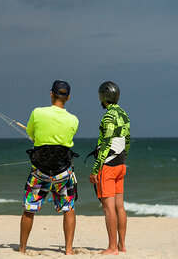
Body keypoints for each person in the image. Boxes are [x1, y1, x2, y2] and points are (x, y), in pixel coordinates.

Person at [19, 80, 79, 255]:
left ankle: (22, 249)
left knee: (29, 209)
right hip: (63, 174)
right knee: (68, 209)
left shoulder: (37, 113)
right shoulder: (74, 120)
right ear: (67, 97)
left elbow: (31, 133)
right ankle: (68, 250)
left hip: (40, 174)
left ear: (51, 94)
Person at [89, 81, 130, 255]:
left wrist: (95, 169)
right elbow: (127, 140)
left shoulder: (108, 117)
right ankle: (122, 245)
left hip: (108, 166)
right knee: (119, 206)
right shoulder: (124, 114)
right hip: (121, 164)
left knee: (109, 207)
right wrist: (123, 159)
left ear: (103, 97)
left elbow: (105, 144)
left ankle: (112, 247)